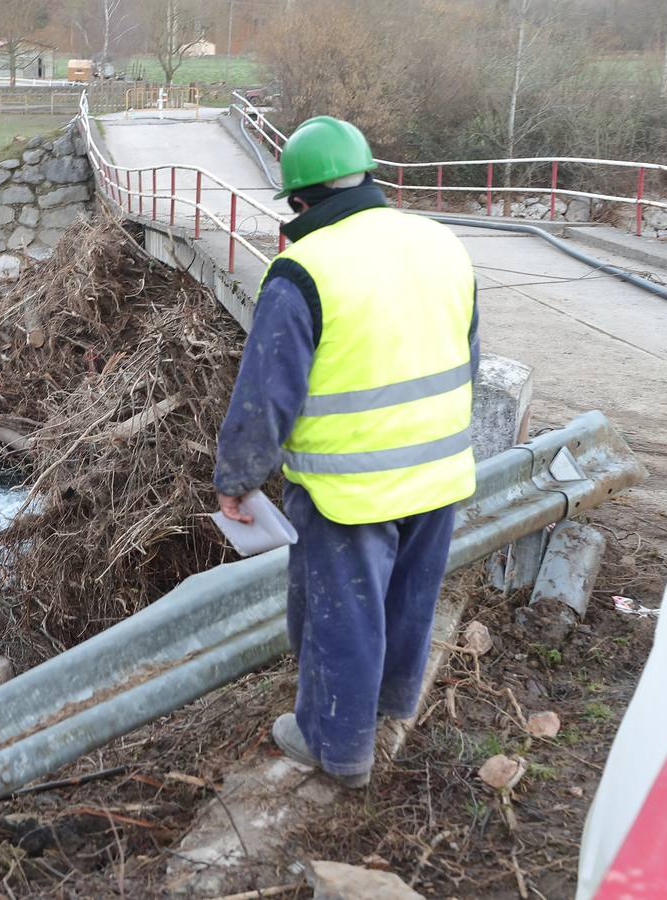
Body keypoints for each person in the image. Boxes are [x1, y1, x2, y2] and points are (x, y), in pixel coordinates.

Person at [213, 115, 480, 788]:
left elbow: (265, 394)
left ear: (300, 202)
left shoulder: (303, 268)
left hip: (349, 489)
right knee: (410, 601)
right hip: (440, 470)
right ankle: (389, 710)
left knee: (342, 621)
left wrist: (236, 480)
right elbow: (468, 355)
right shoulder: (442, 243)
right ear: (367, 175)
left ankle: (339, 748)